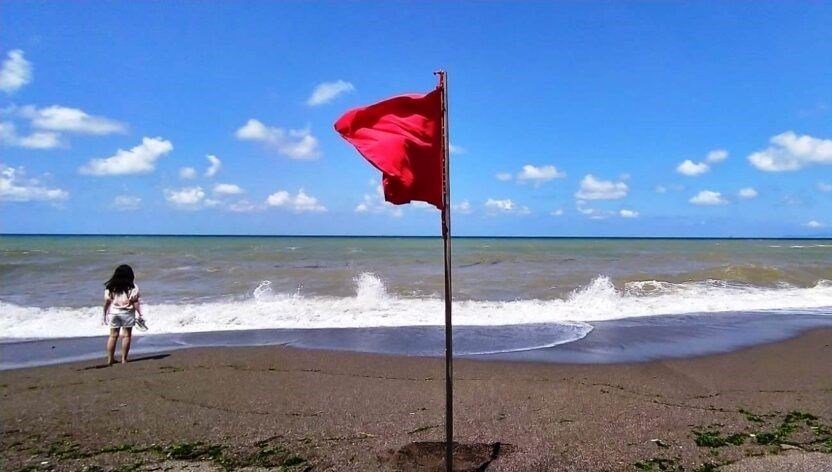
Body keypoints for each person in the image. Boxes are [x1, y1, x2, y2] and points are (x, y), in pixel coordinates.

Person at [102, 264, 143, 365]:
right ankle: (124, 359)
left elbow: (107, 302)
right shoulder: (132, 287)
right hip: (127, 313)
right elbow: (135, 302)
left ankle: (110, 359)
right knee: (126, 336)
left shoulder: (110, 287)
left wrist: (104, 313)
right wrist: (140, 313)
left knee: (113, 336)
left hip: (114, 313)